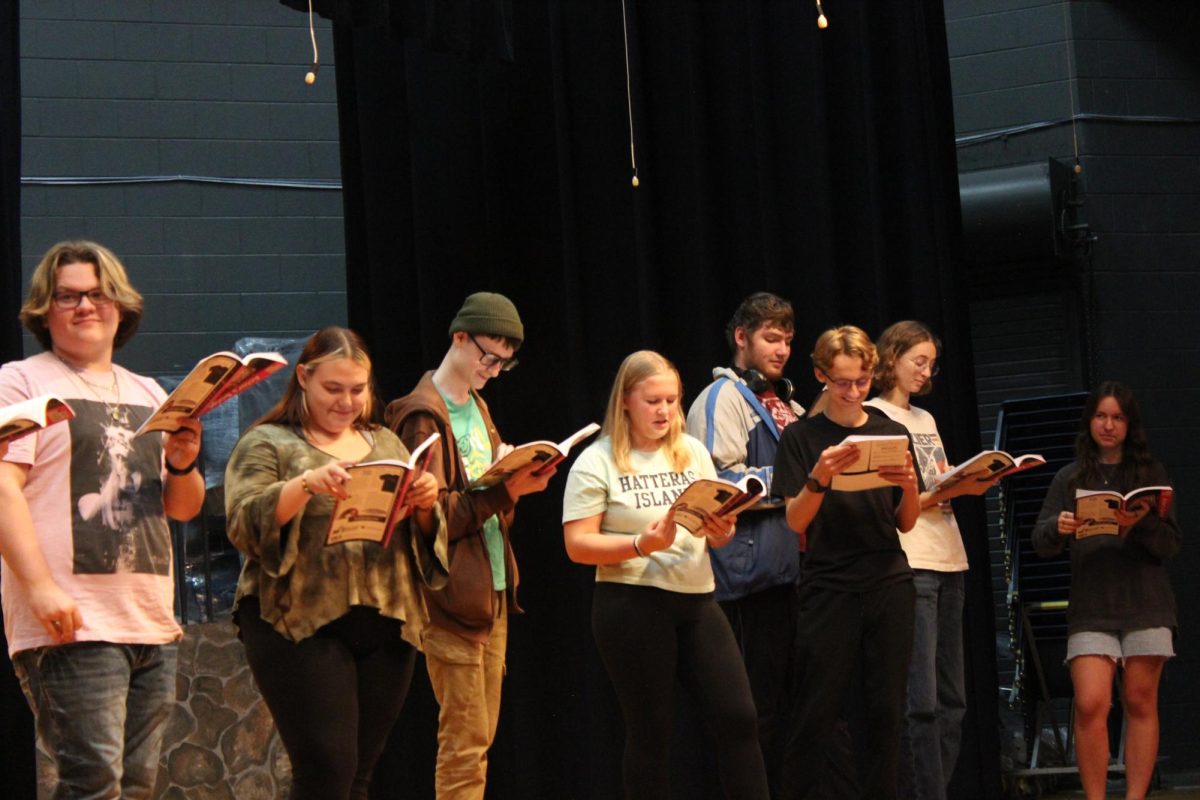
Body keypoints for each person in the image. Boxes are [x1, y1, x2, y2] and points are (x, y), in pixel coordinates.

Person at [0, 240, 205, 798]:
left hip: (148, 616)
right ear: (45, 309)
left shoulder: (149, 391)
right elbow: (2, 489)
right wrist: (39, 589)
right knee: (92, 784)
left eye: (98, 293)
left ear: (120, 304)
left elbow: (181, 508)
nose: (85, 306)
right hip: (71, 617)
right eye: (68, 296)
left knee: (136, 785)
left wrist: (184, 463)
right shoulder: (20, 381)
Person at [224, 326, 448, 799]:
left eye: (357, 390)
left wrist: (426, 504)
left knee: (359, 774)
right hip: (298, 620)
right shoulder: (268, 442)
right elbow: (244, 524)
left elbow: (418, 539)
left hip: (386, 617)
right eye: (333, 388)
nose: (346, 401)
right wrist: (305, 484)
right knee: (327, 769)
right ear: (303, 378)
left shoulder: (386, 442)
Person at [563, 350, 769, 800]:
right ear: (626, 402)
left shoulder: (690, 451)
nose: (664, 411)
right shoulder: (597, 461)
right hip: (631, 602)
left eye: (672, 401)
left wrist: (723, 529)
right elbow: (578, 545)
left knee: (738, 717)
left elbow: (714, 532)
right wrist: (640, 544)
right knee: (651, 733)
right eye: (653, 401)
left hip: (697, 599)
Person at [384, 292, 555, 800]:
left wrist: (515, 476)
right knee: (463, 743)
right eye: (489, 357)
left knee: (480, 738)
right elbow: (432, 522)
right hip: (449, 596)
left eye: (505, 362)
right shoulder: (422, 416)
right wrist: (505, 488)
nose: (495, 371)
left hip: (492, 587)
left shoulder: (477, 406)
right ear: (459, 337)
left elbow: (487, 503)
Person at [773, 325, 920, 800]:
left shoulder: (890, 431)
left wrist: (913, 486)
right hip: (829, 584)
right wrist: (819, 477)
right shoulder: (801, 437)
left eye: (860, 381)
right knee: (816, 712)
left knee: (886, 713)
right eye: (841, 382)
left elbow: (906, 523)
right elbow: (796, 522)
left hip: (888, 581)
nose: (853, 391)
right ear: (820, 376)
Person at [865, 321, 998, 800]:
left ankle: (935, 789)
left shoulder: (925, 420)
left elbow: (936, 487)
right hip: (913, 559)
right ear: (891, 357)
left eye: (930, 364)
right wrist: (940, 491)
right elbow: (889, 505)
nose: (925, 372)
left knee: (953, 701)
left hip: (950, 557)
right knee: (918, 703)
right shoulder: (871, 415)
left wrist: (965, 483)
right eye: (917, 361)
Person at [1031, 382, 1179, 800]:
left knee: (1139, 701)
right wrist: (1057, 527)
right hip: (1092, 605)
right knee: (1091, 703)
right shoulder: (1070, 476)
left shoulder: (1151, 474)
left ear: (1129, 424)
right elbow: (1040, 541)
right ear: (1089, 422)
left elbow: (1172, 544)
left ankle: (1134, 796)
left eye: (1117, 417)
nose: (1108, 425)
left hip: (1146, 603)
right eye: (1101, 416)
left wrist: (1141, 524)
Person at [685, 292, 805, 794]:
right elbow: (719, 482)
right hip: (750, 576)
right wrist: (798, 478)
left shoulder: (788, 402)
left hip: (796, 567)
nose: (781, 350)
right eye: (770, 338)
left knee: (800, 705)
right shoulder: (721, 399)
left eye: (788, 341)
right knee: (759, 709)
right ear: (742, 338)